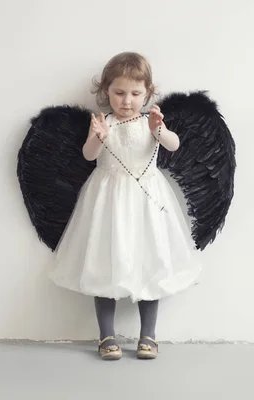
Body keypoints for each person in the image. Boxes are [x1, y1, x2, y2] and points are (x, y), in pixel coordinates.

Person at [47, 52, 202, 360]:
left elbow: (173, 144)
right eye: (119, 93)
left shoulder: (150, 123)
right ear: (106, 92)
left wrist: (159, 129)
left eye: (135, 93)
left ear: (148, 93)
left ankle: (149, 335)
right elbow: (89, 156)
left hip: (146, 202)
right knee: (105, 262)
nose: (127, 100)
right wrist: (97, 137)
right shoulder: (104, 123)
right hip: (108, 201)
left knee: (151, 260)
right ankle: (106, 335)